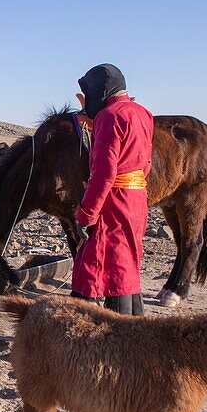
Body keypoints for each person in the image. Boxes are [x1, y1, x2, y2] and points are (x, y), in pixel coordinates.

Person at [70, 63, 154, 315]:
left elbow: (104, 173)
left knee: (111, 267)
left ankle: (118, 335)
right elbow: (146, 164)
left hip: (114, 203)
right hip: (137, 199)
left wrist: (86, 214)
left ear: (99, 90)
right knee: (127, 265)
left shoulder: (109, 116)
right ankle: (138, 329)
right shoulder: (143, 113)